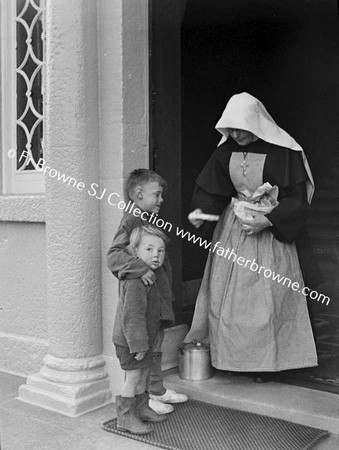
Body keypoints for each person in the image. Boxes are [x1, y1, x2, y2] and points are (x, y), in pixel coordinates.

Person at [185, 92, 318, 382]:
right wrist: (201, 213)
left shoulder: (284, 151)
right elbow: (211, 191)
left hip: (270, 233)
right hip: (234, 231)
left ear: (255, 122)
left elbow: (297, 198)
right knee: (227, 298)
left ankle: (267, 364)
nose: (234, 134)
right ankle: (232, 358)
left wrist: (268, 219)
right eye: (229, 129)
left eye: (240, 128)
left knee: (269, 299)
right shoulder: (224, 152)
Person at [107, 169, 188, 413]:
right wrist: (141, 268)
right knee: (146, 350)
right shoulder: (131, 220)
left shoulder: (147, 219)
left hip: (157, 299)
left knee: (156, 346)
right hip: (145, 298)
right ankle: (148, 396)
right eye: (157, 194)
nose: (161, 200)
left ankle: (156, 390)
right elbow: (114, 256)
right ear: (139, 194)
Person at [113, 225, 169, 434]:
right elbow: (133, 316)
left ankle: (142, 408)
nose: (156, 255)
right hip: (130, 342)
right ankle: (125, 418)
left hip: (142, 341)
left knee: (143, 375)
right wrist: (138, 345)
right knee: (133, 378)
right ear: (135, 252)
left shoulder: (147, 275)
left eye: (160, 250)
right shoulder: (136, 280)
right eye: (149, 249)